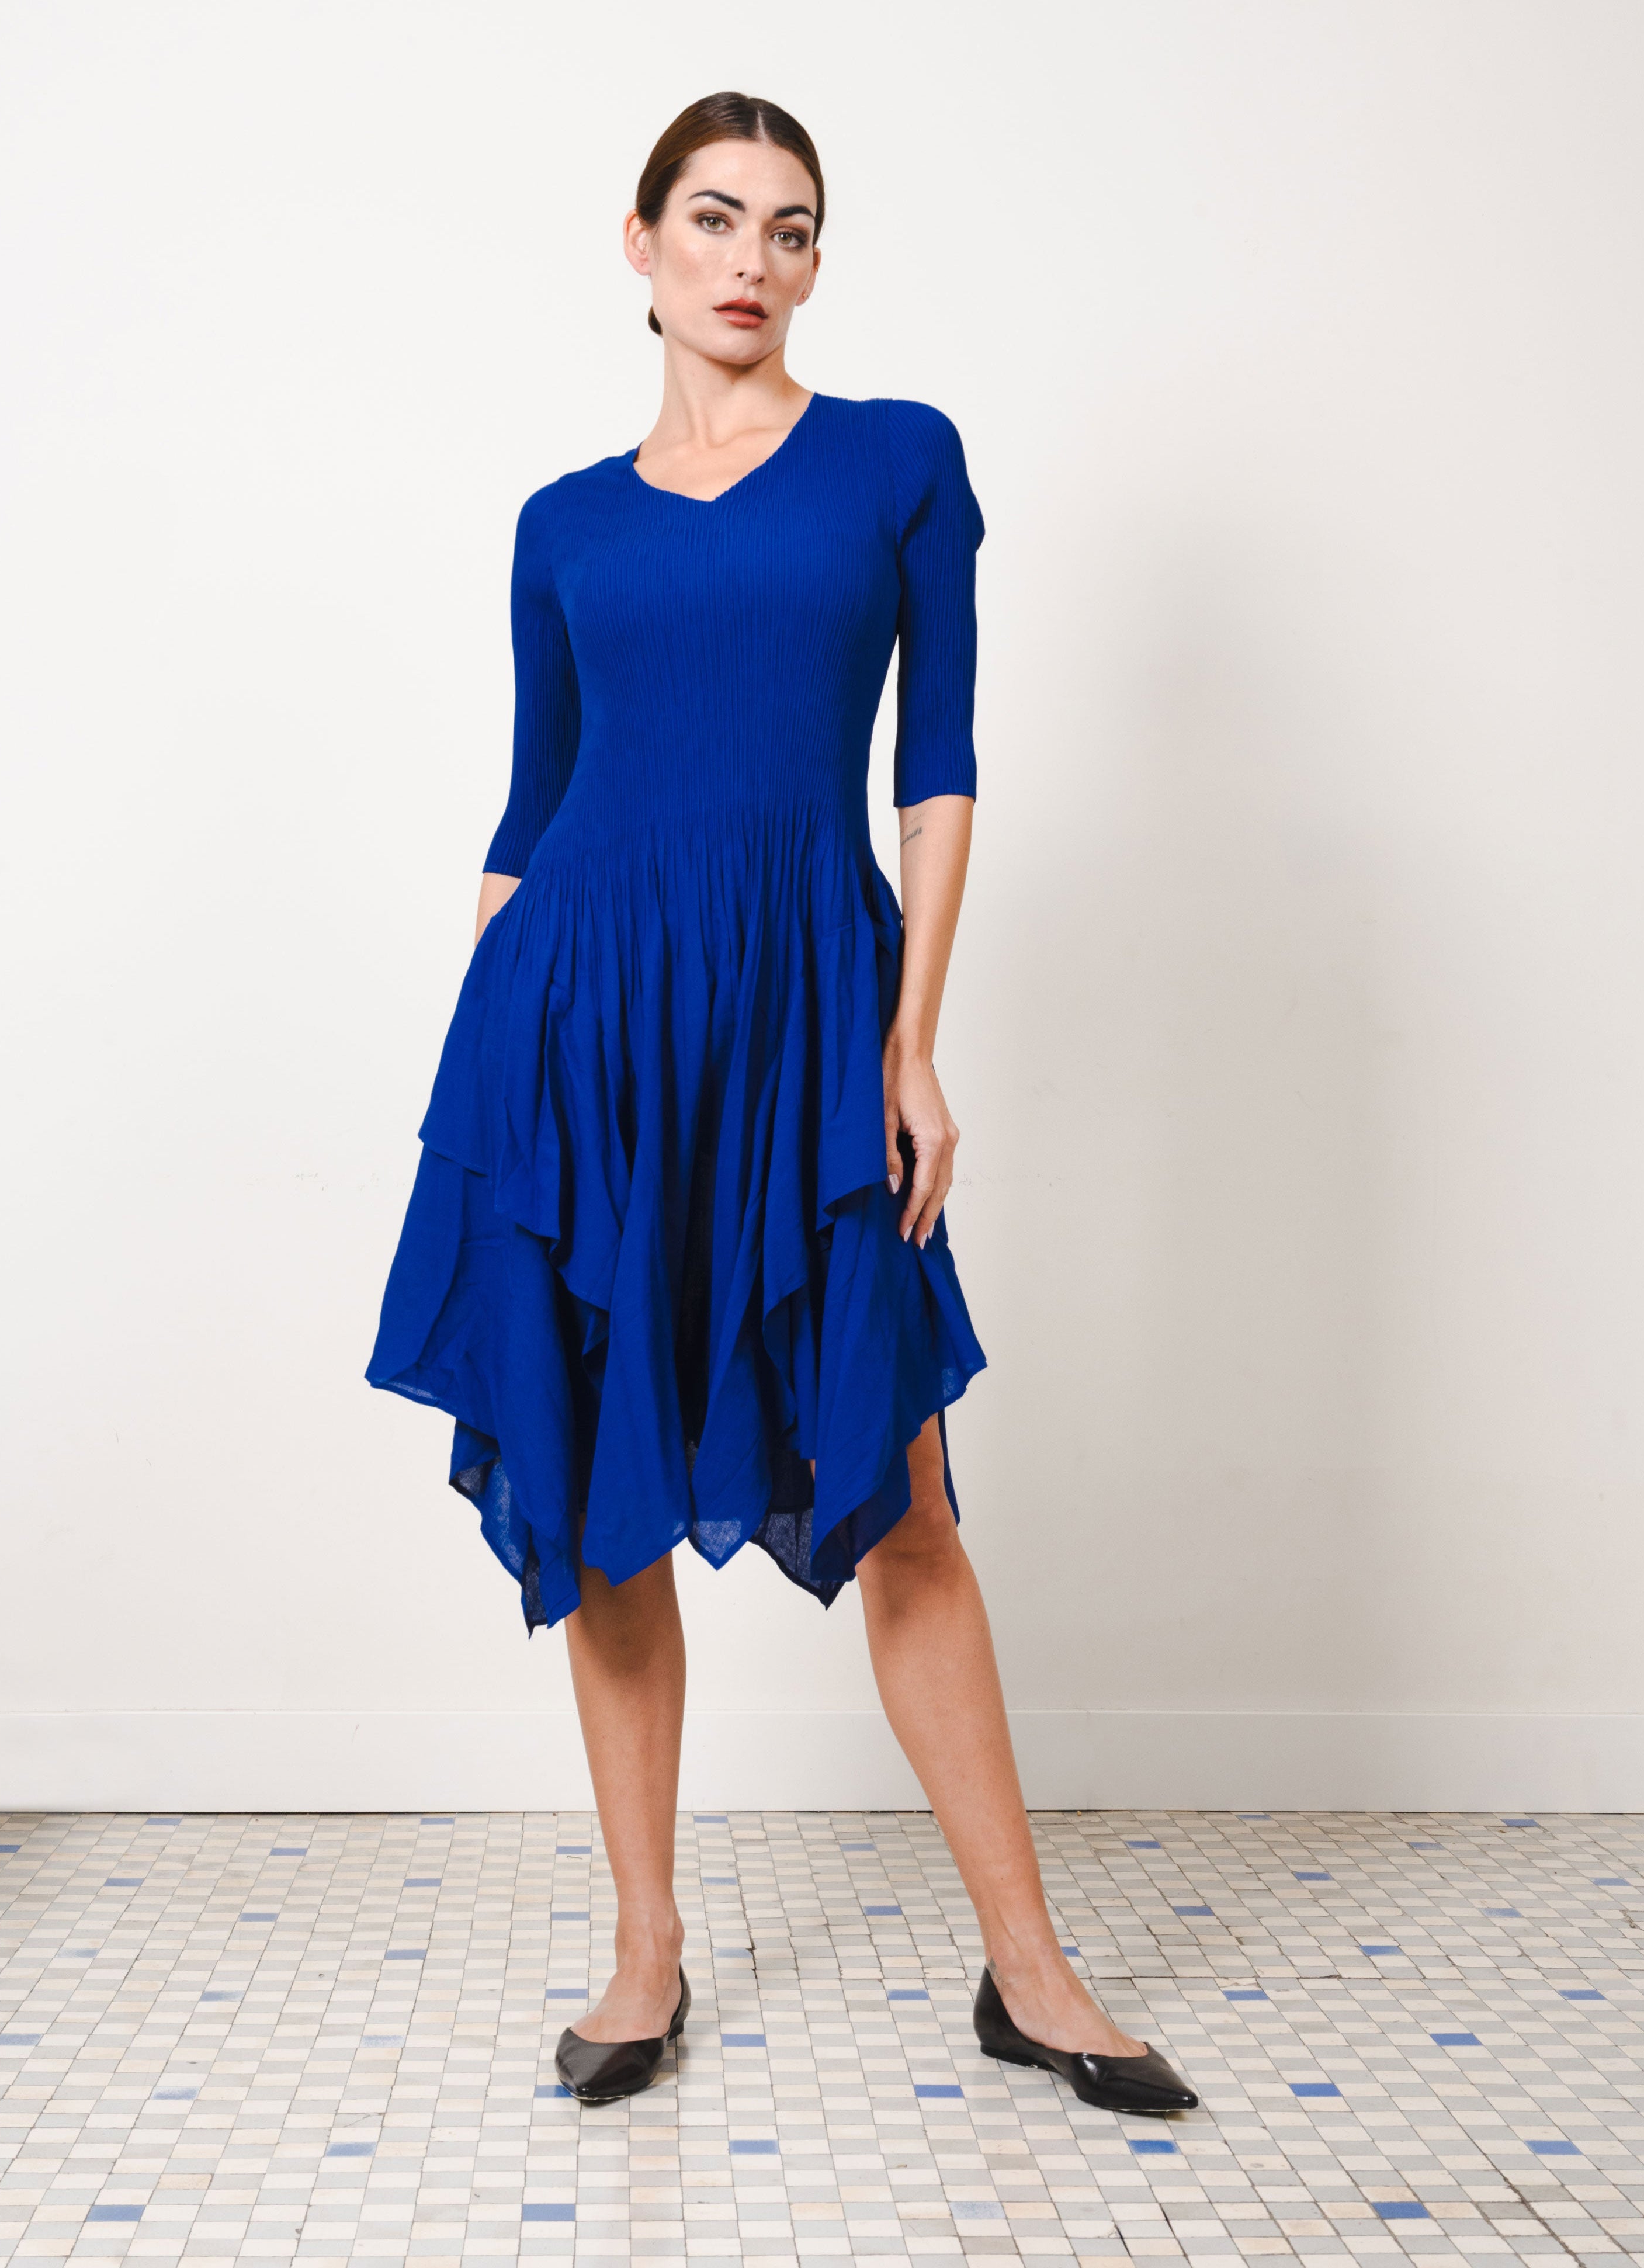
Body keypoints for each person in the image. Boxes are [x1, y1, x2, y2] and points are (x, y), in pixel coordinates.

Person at [366, 91, 1198, 2118]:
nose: (753, 258)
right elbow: (530, 800)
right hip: (580, 1022)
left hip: (809, 1012)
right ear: (637, 242)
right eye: (716, 218)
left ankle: (1031, 1966)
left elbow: (942, 763)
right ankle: (642, 1952)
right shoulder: (562, 520)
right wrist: (493, 1078)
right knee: (598, 1488)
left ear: (818, 263)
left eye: (793, 228)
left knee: (899, 1493)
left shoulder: (897, 463)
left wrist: (908, 1043)